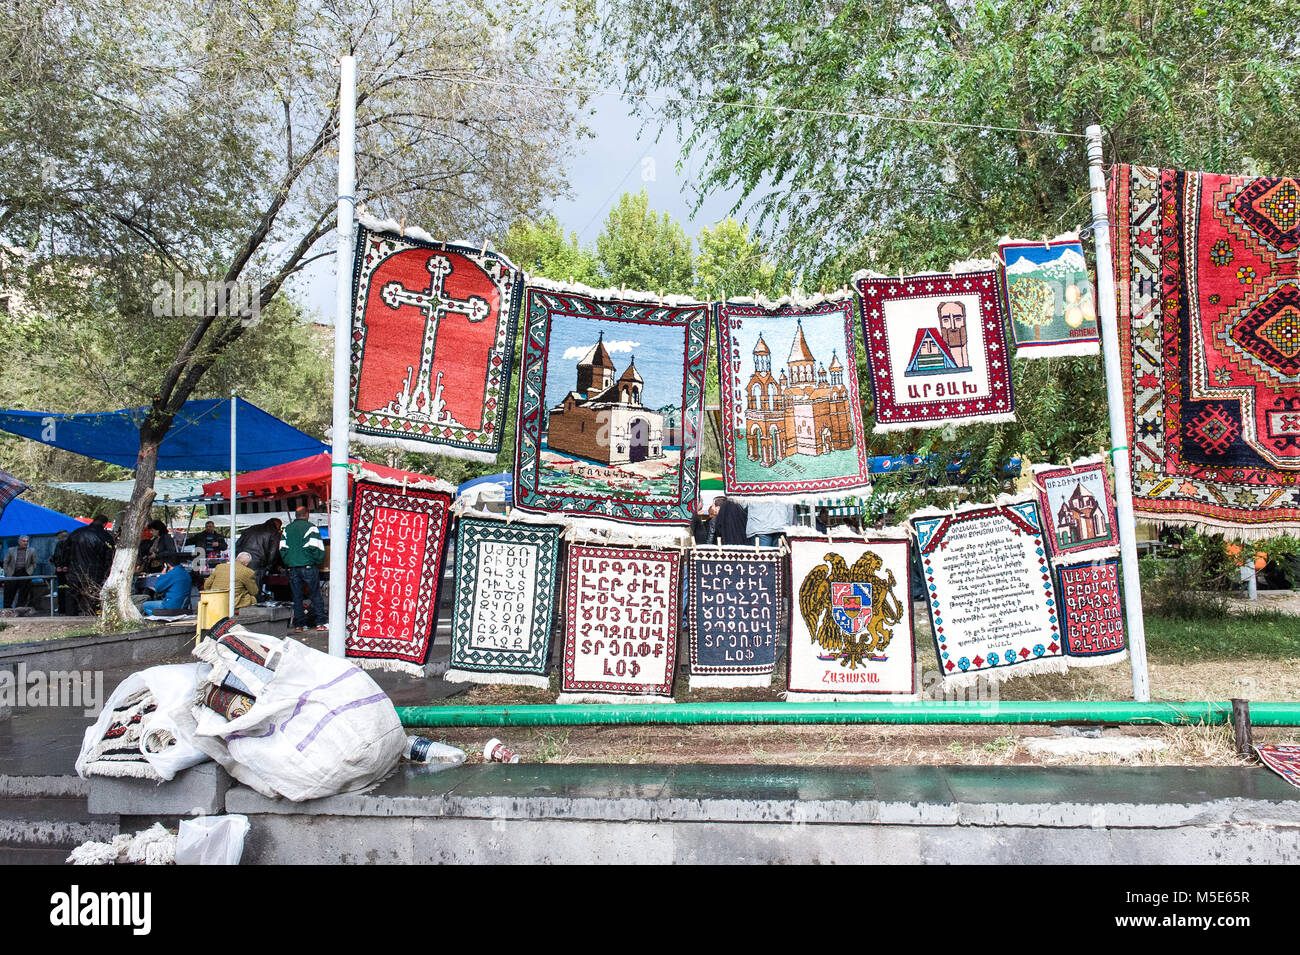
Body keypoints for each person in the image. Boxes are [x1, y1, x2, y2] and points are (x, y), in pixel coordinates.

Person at [279, 506, 325, 632]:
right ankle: (320, 622)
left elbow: (282, 549)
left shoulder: (287, 529)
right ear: (307, 514)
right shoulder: (311, 527)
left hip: (293, 568)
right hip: (309, 566)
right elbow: (317, 548)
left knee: (297, 596)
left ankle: (299, 625)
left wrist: (289, 561)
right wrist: (317, 560)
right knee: (315, 594)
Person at [66, 515, 115, 615]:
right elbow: (109, 556)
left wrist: (65, 565)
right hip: (94, 572)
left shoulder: (76, 533)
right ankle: (92, 617)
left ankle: (70, 617)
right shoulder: (105, 536)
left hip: (74, 571)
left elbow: (65, 550)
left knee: (72, 597)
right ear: (105, 524)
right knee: (92, 597)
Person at [235, 518, 282, 589]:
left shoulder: (251, 528)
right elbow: (273, 552)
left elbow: (237, 545)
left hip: (242, 561)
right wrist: (269, 566)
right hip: (258, 564)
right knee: (255, 588)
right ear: (277, 525)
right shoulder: (273, 532)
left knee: (241, 587)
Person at [3, 534, 37, 608]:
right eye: (24, 541)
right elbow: (5, 562)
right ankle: (7, 608)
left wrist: (30, 572)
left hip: (25, 572)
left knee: (23, 593)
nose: (26, 543)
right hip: (12, 572)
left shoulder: (32, 550)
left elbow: (34, 563)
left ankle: (20, 609)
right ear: (19, 542)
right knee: (9, 592)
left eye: (27, 541)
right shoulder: (11, 550)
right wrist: (7, 572)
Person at [51, 529, 71, 615]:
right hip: (68, 570)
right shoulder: (71, 544)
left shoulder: (60, 543)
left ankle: (62, 608)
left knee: (61, 589)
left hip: (62, 570)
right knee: (68, 589)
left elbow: (58, 556)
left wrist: (59, 565)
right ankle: (68, 607)